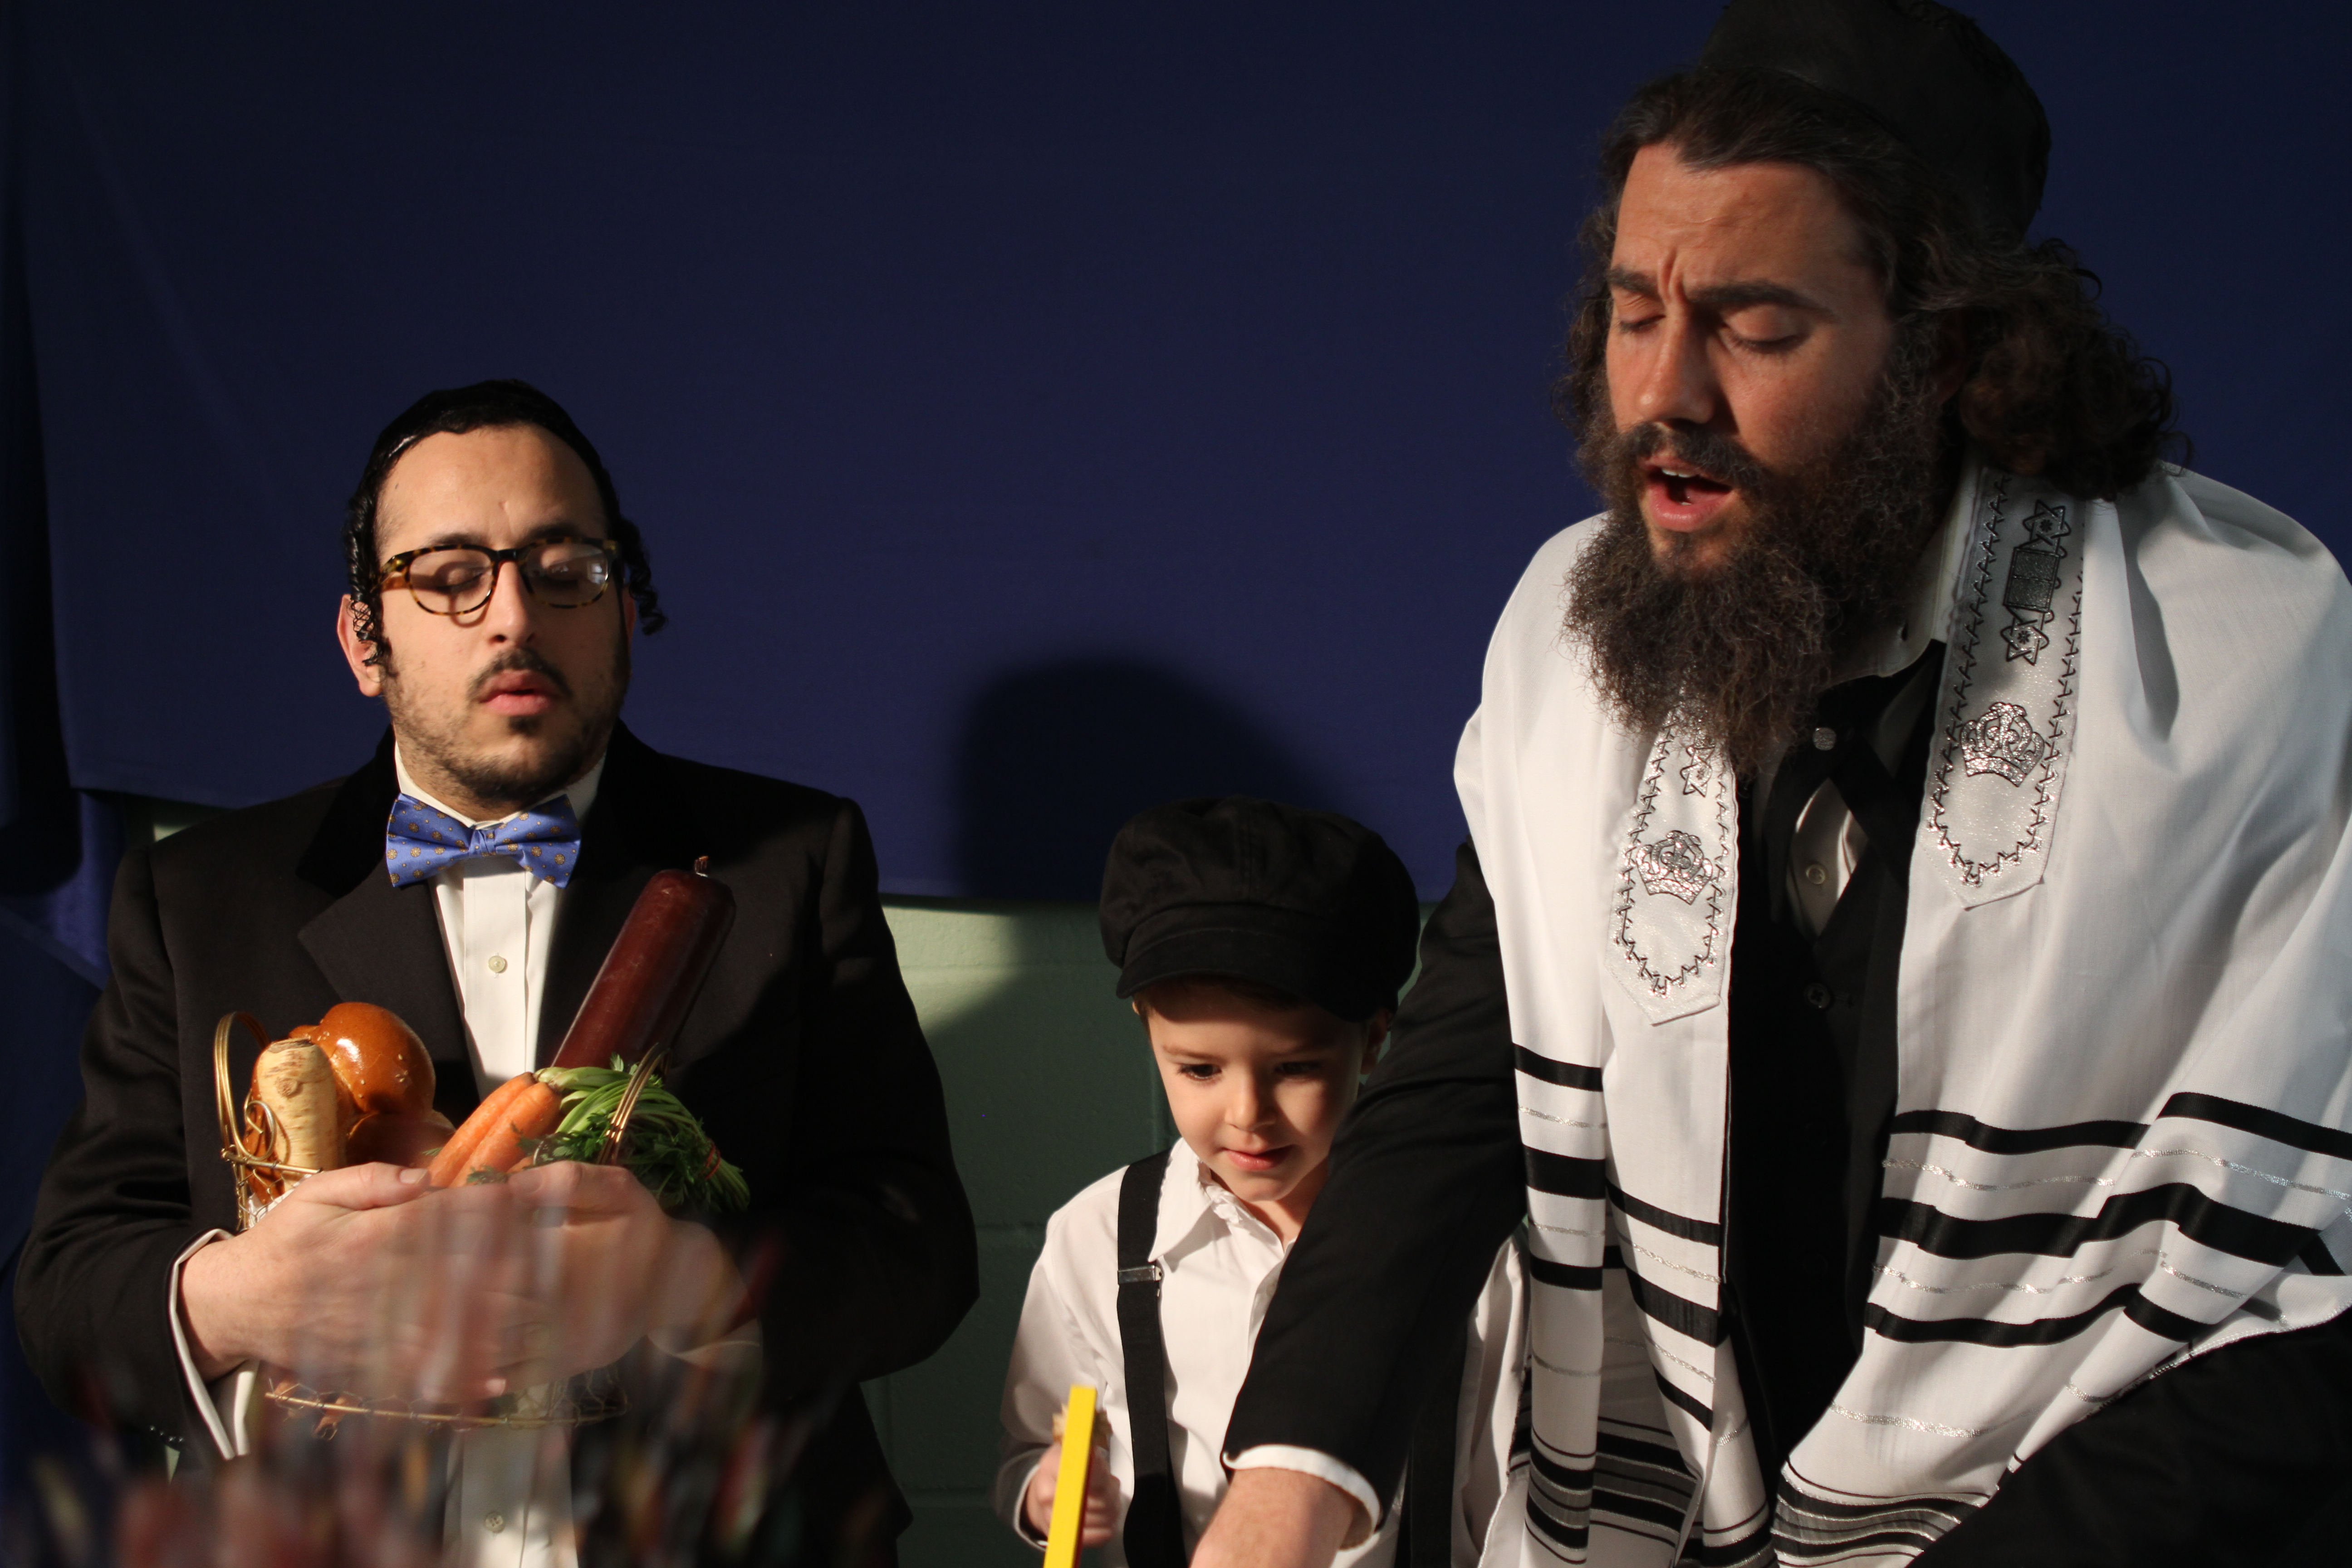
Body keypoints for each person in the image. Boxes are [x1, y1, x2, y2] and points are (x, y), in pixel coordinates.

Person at [1191, 3, 2352, 1565]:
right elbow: (1465, 1084)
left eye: (1753, 327)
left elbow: (2306, 1284)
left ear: (1947, 351)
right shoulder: (1568, 643)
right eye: (1632, 312)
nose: (1660, 396)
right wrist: (1292, 1479)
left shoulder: (2251, 669)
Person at [15, 379, 978, 1566]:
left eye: (565, 570)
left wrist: (689, 1284)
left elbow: (919, 1248)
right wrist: (245, 1300)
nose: (513, 617)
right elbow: (66, 1289)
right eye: (449, 575)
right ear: (364, 640)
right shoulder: (196, 897)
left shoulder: (793, 861)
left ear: (622, 611)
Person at [995, 798, 1526, 1568]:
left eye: (1296, 1068)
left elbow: (1507, 1496)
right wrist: (1045, 1494)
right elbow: (1040, 1438)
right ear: (1148, 1029)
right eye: (1199, 1070)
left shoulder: (1479, 1255)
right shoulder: (1099, 1236)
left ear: (1376, 1039)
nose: (1248, 1114)